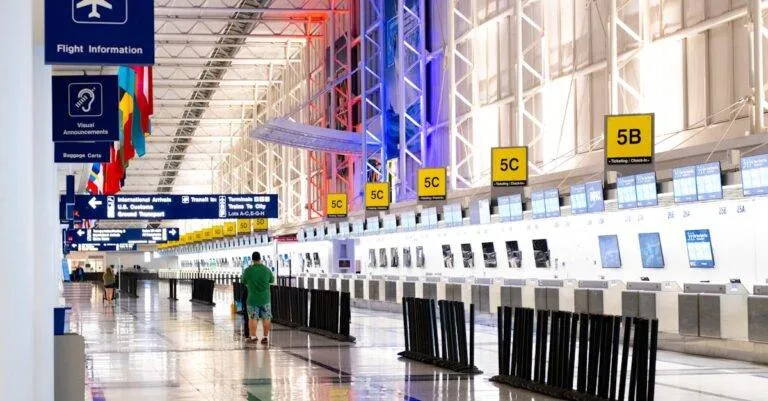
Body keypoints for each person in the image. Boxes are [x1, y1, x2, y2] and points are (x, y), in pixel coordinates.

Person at [241, 251, 275, 345]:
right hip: (265, 299)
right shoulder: (266, 269)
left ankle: (253, 336)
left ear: (252, 259)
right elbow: (272, 280)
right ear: (260, 259)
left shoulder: (248, 270)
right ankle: (265, 337)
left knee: (253, 318)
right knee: (266, 318)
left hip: (252, 299)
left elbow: (243, 281)